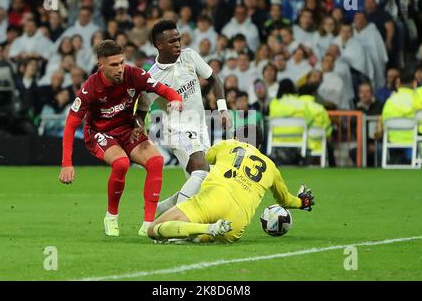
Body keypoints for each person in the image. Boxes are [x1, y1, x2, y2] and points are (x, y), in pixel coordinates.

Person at [58, 40, 183, 237]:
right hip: (100, 133)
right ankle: (111, 216)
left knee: (156, 161)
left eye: (122, 62)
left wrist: (176, 99)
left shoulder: (134, 75)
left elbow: (163, 90)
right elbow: (71, 124)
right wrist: (66, 163)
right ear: (101, 66)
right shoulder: (90, 88)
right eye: (114, 65)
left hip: (127, 129)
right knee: (121, 163)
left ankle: (148, 224)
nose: (120, 69)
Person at [147, 125, 315, 243]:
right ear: (260, 146)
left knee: (154, 229)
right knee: (204, 235)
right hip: (235, 224)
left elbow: (206, 160)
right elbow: (285, 200)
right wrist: (302, 202)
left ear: (236, 137)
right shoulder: (271, 167)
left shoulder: (227, 144)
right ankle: (200, 235)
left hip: (212, 200)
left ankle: (203, 230)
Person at [137, 20, 230, 217]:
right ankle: (175, 222)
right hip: (176, 130)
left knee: (203, 182)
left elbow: (215, 80)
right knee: (202, 170)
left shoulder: (189, 56)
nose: (178, 44)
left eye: (178, 39)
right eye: (172, 41)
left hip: (200, 127)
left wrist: (222, 109)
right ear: (159, 45)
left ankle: (161, 209)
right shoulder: (152, 78)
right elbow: (141, 109)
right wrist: (139, 130)